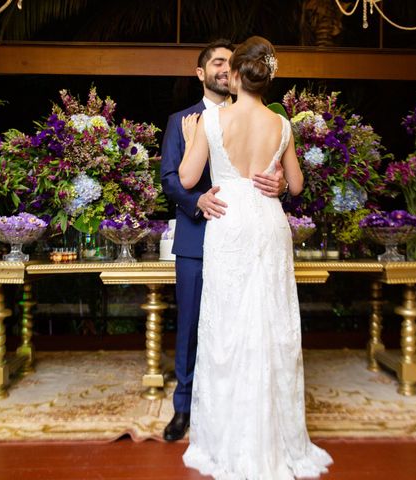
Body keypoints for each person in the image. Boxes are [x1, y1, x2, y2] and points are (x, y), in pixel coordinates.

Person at [178, 36, 333, 478]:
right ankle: (276, 440)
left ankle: (228, 440)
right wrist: (279, 181)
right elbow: (297, 186)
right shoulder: (281, 125)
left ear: (237, 76)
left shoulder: (212, 120)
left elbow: (189, 176)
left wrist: (193, 137)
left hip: (229, 221)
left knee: (227, 329)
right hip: (267, 223)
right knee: (270, 326)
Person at [160, 39, 287, 442]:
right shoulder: (183, 120)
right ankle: (183, 409)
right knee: (194, 327)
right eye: (216, 62)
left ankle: (240, 412)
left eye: (229, 63)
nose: (223, 68)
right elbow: (169, 180)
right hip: (198, 241)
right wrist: (196, 201)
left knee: (249, 325)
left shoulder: (270, 117)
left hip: (248, 240)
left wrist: (279, 184)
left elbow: (279, 176)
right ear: (201, 73)